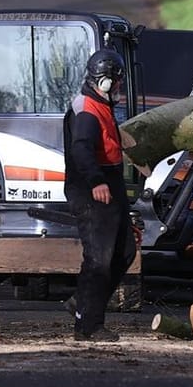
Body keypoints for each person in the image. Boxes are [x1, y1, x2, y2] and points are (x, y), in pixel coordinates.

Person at [64, 47, 135, 341]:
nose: (119, 86)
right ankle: (89, 326)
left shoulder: (99, 104)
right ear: (103, 81)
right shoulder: (87, 111)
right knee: (99, 260)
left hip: (110, 184)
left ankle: (82, 303)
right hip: (91, 188)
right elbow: (81, 148)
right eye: (116, 81)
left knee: (125, 253)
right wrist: (96, 181)